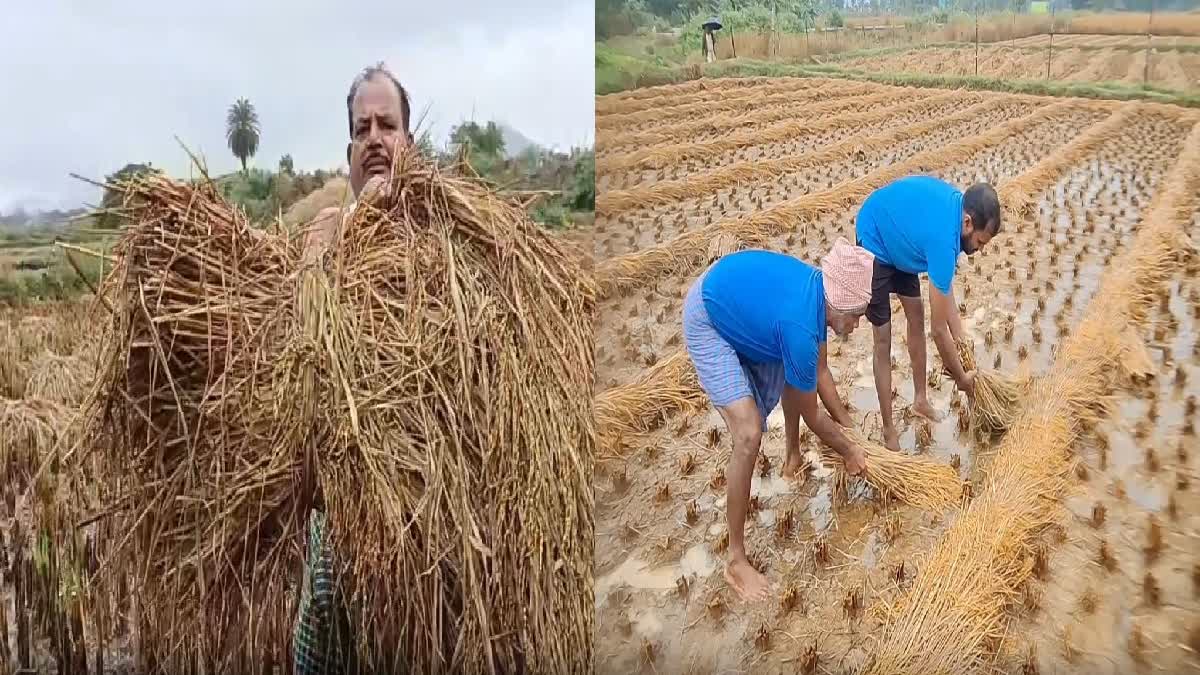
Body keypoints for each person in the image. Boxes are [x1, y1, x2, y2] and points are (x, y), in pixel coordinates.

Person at [292, 62, 414, 675]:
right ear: (348, 150)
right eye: (361, 127)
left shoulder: (446, 242)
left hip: (424, 542)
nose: (374, 137)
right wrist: (316, 266)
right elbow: (298, 374)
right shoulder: (322, 241)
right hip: (338, 540)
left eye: (386, 125)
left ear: (408, 143)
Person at [682, 238, 875, 602]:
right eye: (857, 314)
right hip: (708, 315)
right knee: (748, 432)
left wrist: (849, 428)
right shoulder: (801, 326)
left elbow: (818, 372)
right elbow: (811, 412)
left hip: (739, 297)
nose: (858, 324)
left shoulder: (817, 297)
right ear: (840, 304)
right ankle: (736, 559)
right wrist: (850, 451)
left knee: (795, 372)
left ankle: (792, 458)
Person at [854, 175, 1002, 451]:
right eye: (980, 243)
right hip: (875, 236)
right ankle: (888, 430)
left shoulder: (956, 216)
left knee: (916, 316)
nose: (979, 250)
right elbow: (938, 331)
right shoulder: (943, 239)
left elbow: (945, 296)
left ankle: (920, 401)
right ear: (968, 222)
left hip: (901, 241)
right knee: (883, 339)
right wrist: (961, 379)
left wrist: (964, 347)